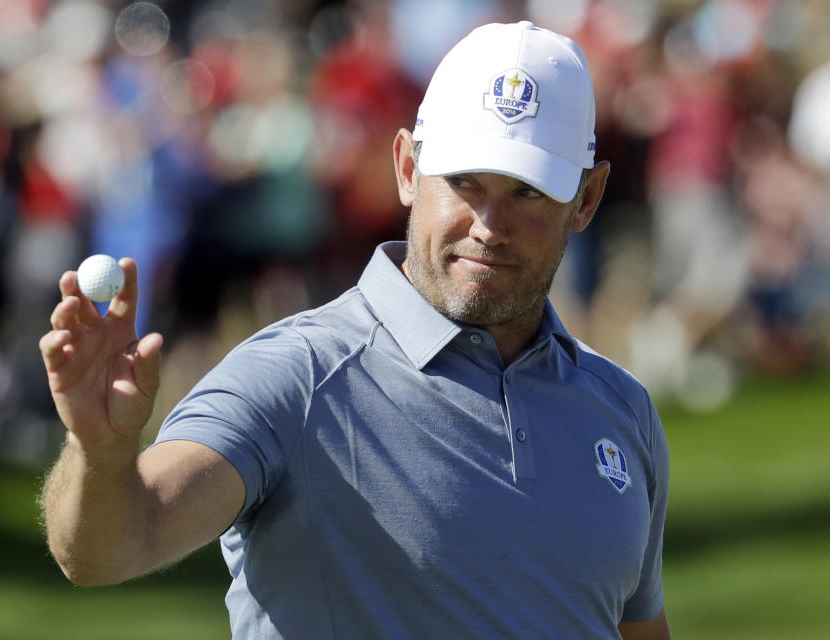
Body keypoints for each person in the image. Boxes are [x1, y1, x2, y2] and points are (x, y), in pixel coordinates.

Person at [39, 21, 672, 639]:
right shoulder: (295, 376)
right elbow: (109, 550)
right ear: (406, 169)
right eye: (462, 183)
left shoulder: (621, 411)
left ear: (586, 199)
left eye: (528, 193)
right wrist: (99, 455)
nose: (487, 224)